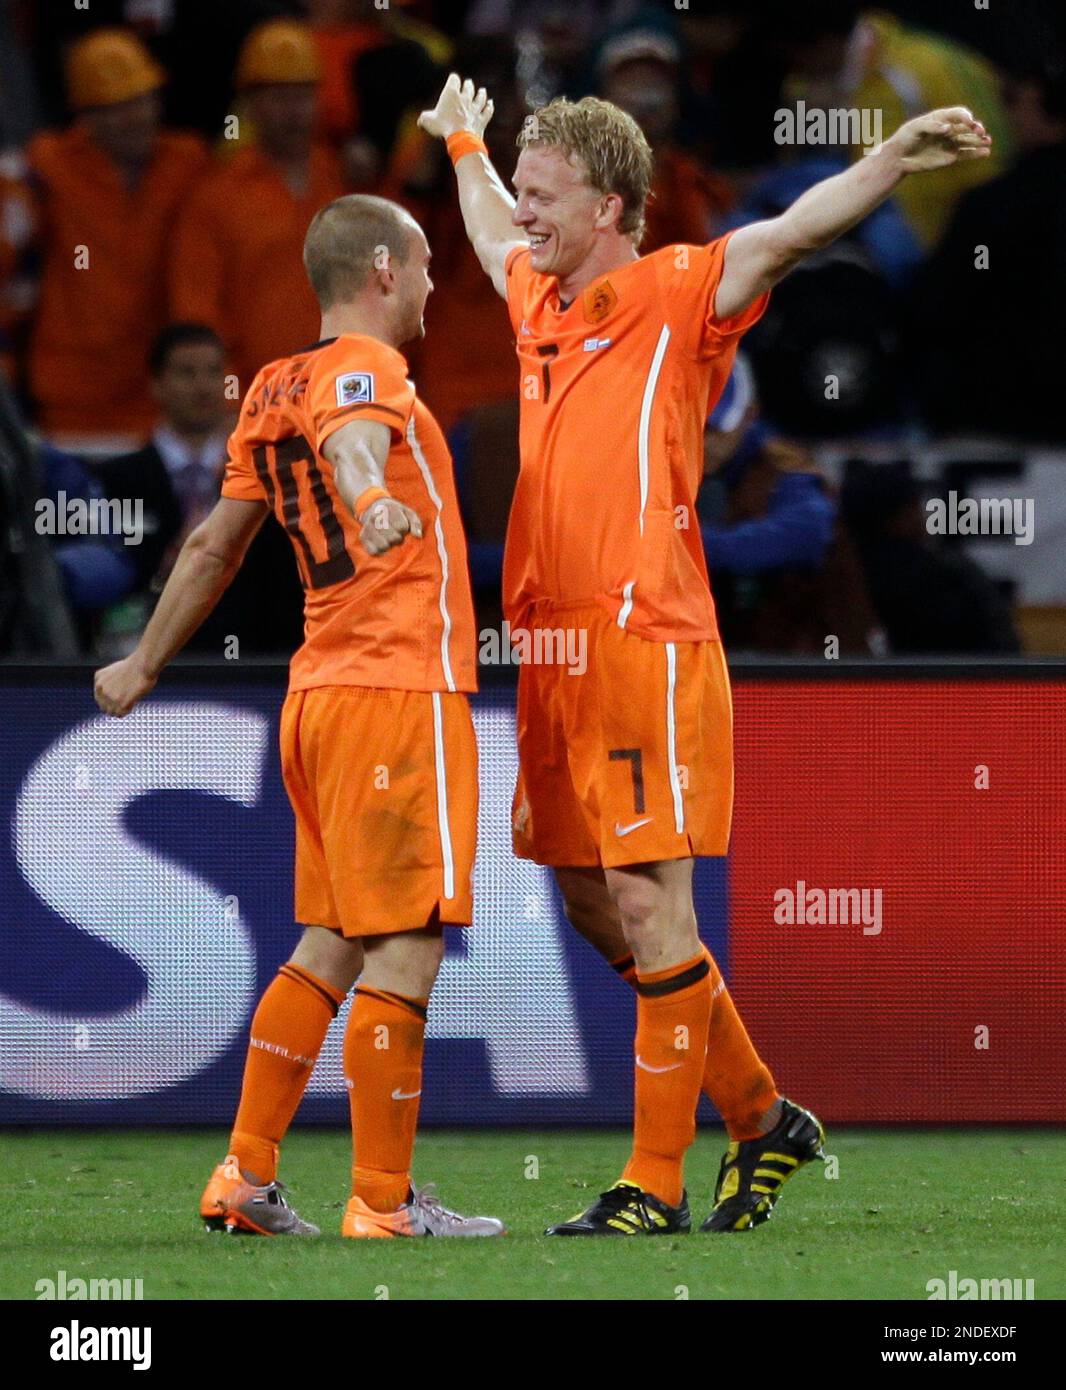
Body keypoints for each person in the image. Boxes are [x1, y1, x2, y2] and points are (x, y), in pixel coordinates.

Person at [419, 73, 990, 1235]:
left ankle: (652, 1183)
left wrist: (892, 157)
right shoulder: (534, 292)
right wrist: (468, 144)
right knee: (588, 897)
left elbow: (793, 229)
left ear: (614, 208)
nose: (524, 213)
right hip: (552, 649)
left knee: (646, 894)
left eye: (547, 194)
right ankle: (760, 1112)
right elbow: (483, 230)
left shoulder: (679, 287)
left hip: (644, 637)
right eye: (523, 192)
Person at [94, 193, 502, 1240]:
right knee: (404, 947)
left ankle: (244, 1175)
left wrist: (144, 659)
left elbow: (213, 546)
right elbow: (357, 441)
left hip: (317, 696)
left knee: (328, 943)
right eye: (418, 266)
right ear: (377, 269)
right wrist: (370, 500)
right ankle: (382, 1200)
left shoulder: (270, 384)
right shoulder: (368, 371)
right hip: (395, 688)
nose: (429, 286)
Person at [10, 29, 209, 450]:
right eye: (116, 107)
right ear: (85, 114)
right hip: (71, 406)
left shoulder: (187, 162)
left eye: (141, 100)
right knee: (70, 516)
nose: (135, 116)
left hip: (159, 406)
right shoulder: (49, 164)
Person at [169, 19, 347, 400]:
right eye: (278, 97)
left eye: (302, 95)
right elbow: (197, 313)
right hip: (258, 404)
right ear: (249, 104)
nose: (293, 111)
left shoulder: (344, 178)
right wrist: (233, 400)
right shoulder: (216, 196)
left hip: (343, 399)